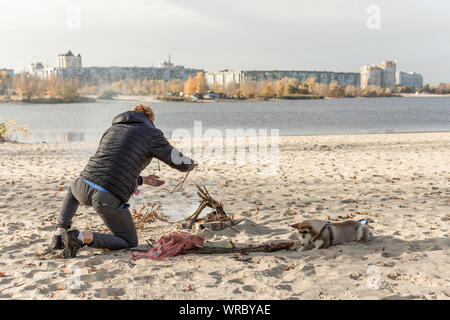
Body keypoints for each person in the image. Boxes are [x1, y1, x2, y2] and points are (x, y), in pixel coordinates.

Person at [53, 104, 196, 258]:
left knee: (72, 190)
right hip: (106, 197)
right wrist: (190, 164)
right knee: (129, 241)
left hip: (82, 184)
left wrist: (142, 180)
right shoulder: (151, 133)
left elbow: (112, 166)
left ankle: (59, 233)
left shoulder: (111, 130)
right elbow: (177, 160)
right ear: (150, 119)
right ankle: (80, 237)